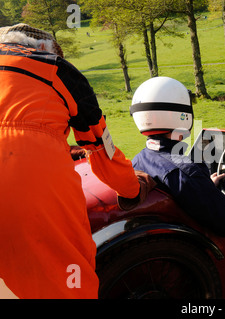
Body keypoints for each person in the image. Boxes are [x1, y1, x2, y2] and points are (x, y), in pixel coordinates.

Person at [0, 24, 151, 299]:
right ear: (49, 51)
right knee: (67, 283)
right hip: (30, 193)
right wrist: (133, 189)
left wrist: (57, 146)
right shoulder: (57, 71)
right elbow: (100, 147)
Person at [131, 77, 225, 237]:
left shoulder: (139, 159)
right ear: (182, 115)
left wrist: (205, 186)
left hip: (181, 226)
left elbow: (187, 191)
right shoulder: (186, 173)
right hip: (210, 235)